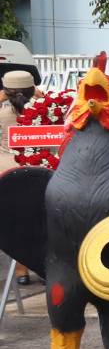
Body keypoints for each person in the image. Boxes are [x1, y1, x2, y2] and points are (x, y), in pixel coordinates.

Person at [2, 70, 38, 284]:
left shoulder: (2, 112)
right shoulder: (45, 110)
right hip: (38, 171)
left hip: (5, 174)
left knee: (15, 222)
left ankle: (20, 271)